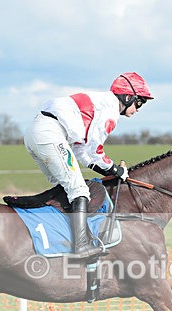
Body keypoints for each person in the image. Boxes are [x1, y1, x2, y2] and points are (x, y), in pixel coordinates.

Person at [24, 72, 153, 260]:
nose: (139, 109)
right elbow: (95, 151)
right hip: (51, 134)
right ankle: (81, 245)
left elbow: (82, 153)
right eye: (139, 102)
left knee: (65, 188)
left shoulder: (101, 103)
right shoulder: (110, 113)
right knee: (79, 190)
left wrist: (109, 169)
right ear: (128, 97)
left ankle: (61, 236)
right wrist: (116, 170)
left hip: (36, 133)